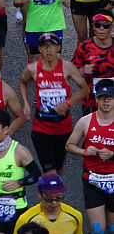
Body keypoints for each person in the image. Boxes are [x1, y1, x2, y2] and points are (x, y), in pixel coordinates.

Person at [66, 78, 114, 234]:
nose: (105, 102)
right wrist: (86, 150)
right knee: (97, 230)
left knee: (111, 231)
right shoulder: (86, 121)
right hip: (93, 180)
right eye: (102, 98)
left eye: (109, 98)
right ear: (96, 99)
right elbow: (69, 145)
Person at [18, 33, 88, 173]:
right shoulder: (33, 68)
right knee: (50, 171)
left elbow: (85, 89)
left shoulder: (67, 67)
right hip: (41, 127)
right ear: (39, 49)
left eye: (52, 46)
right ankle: (49, 191)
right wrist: (25, 103)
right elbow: (23, 82)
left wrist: (67, 103)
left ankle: (54, 193)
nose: (48, 50)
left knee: (59, 168)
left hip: (63, 126)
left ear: (59, 47)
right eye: (45, 46)